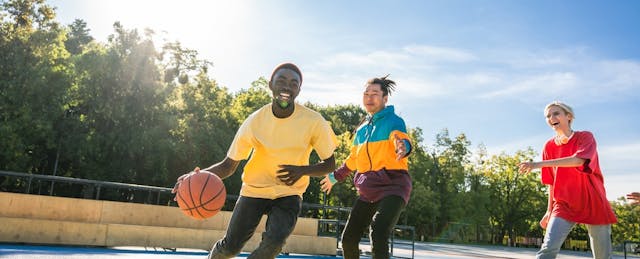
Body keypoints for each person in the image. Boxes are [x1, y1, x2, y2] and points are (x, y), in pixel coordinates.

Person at [172, 62, 338, 259]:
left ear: (298, 90)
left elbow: (330, 164)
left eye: (294, 84)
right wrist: (193, 177)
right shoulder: (255, 121)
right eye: (282, 81)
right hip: (254, 190)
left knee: (273, 245)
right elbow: (228, 165)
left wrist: (302, 170)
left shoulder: (313, 121)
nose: (287, 87)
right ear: (271, 85)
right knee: (230, 248)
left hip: (289, 192)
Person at [320, 75, 412, 259]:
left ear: (385, 99)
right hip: (369, 189)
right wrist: (333, 177)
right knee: (348, 238)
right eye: (366, 93)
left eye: (375, 94)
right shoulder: (361, 130)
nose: (369, 97)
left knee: (378, 231)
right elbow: (353, 159)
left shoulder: (393, 121)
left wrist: (403, 146)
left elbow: (400, 138)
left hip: (394, 186)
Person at [518, 101, 617, 259]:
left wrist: (537, 164)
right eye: (547, 116)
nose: (551, 118)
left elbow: (578, 160)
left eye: (556, 113)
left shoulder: (585, 137)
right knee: (547, 250)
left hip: (593, 201)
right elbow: (551, 182)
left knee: (602, 256)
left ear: (568, 116)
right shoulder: (548, 147)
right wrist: (549, 210)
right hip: (563, 204)